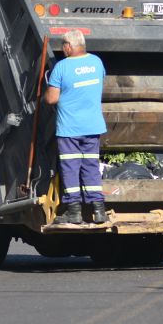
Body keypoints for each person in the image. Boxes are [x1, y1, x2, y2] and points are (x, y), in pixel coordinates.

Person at [44, 29, 108, 225]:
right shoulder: (97, 62)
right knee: (91, 167)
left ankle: (74, 212)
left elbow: (52, 99)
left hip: (70, 129)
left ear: (69, 47)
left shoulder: (62, 67)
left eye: (64, 46)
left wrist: (44, 95)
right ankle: (98, 211)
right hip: (93, 126)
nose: (63, 49)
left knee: (71, 168)